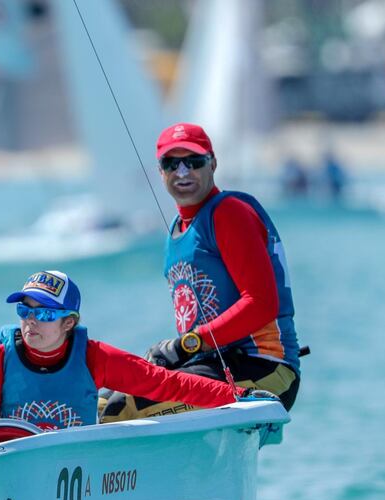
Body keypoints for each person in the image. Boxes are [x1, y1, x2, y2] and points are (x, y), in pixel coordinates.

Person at [101, 123, 300, 423]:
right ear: (160, 171)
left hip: (264, 369)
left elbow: (262, 303)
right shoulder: (175, 231)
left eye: (193, 162)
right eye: (172, 164)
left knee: (118, 409)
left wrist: (187, 344)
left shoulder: (228, 212)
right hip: (212, 367)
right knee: (102, 397)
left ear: (213, 163)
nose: (182, 172)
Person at [0, 270, 259, 431]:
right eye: (24, 309)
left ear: (69, 323)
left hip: (75, 474)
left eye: (45, 314)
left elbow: (165, 383)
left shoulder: (93, 358)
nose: (31, 320)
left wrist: (237, 395)